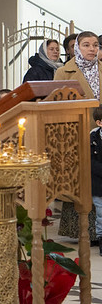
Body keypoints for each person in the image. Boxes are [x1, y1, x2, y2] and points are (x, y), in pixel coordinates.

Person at [54, 31, 101, 244]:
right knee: (81, 181)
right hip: (78, 133)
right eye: (86, 45)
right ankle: (84, 231)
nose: (92, 49)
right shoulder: (64, 72)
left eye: (95, 45)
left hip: (100, 133)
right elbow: (56, 104)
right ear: (77, 48)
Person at [90, 105, 102, 255]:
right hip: (99, 184)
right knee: (100, 213)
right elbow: (91, 162)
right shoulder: (93, 138)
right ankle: (101, 238)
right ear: (99, 123)